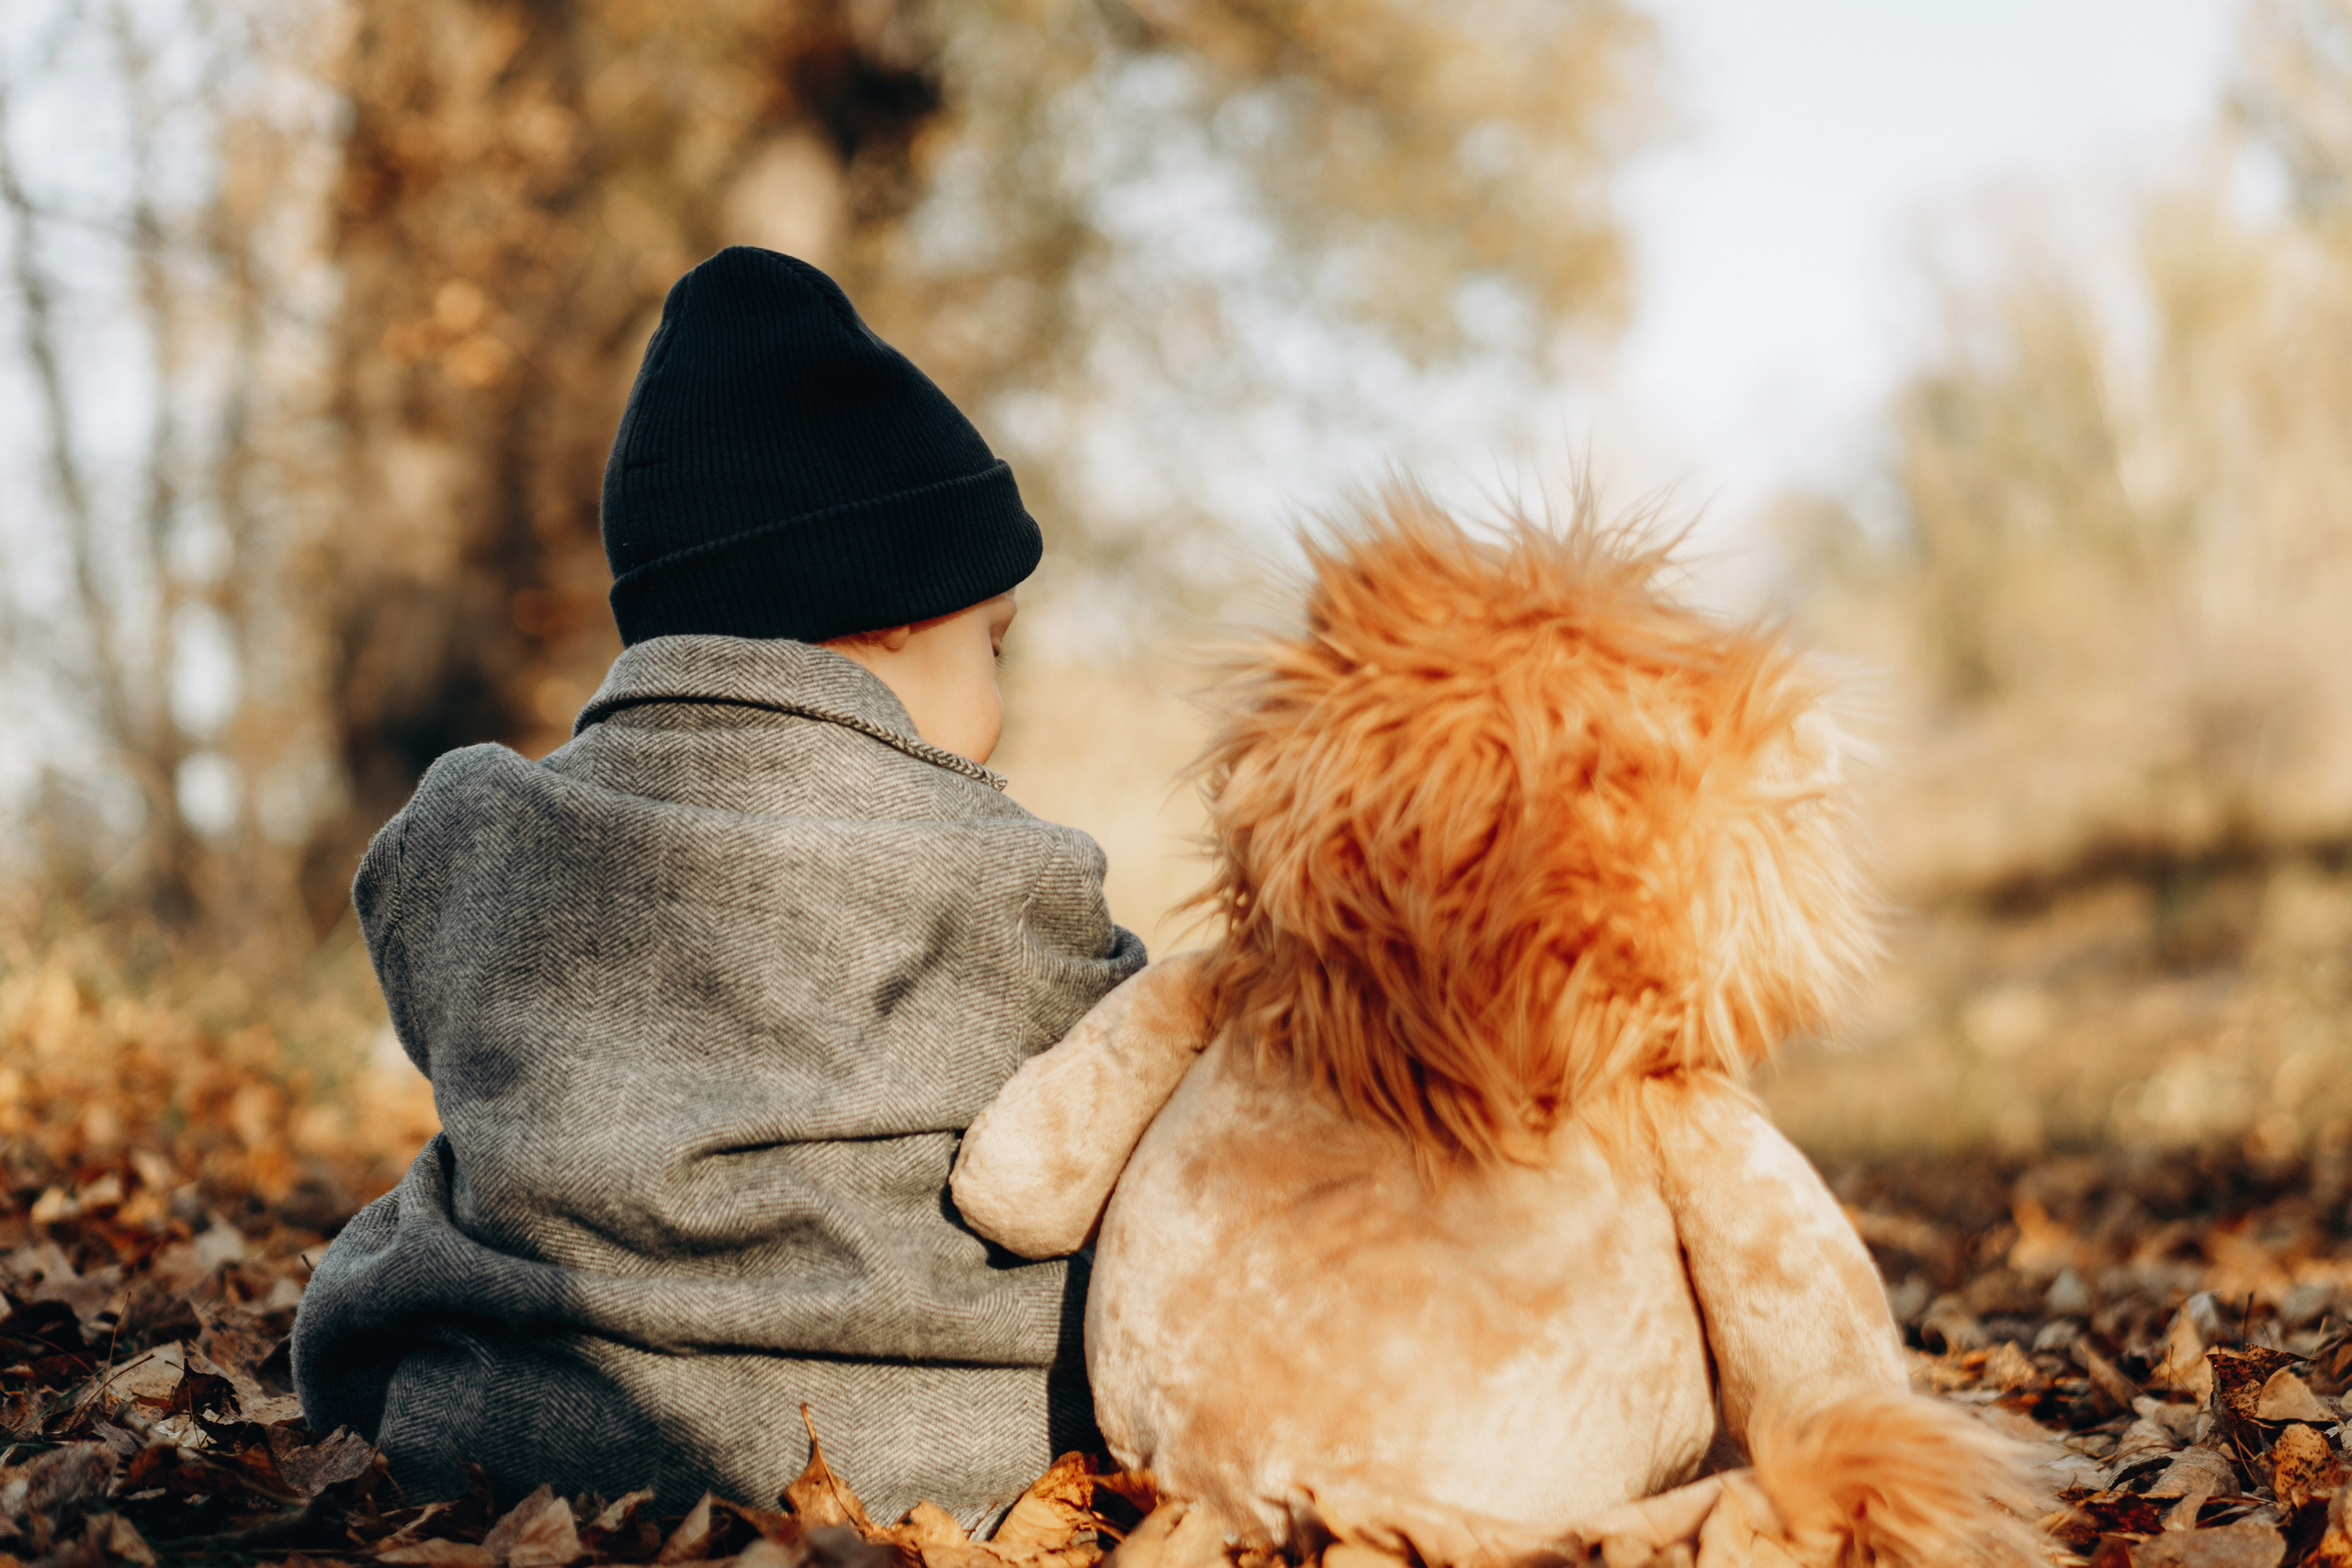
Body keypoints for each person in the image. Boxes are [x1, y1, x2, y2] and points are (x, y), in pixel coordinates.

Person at [290, 246, 1147, 1529]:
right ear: (894, 601)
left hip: (504, 1426)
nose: (999, 703)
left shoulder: (472, 832)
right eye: (993, 644)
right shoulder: (1008, 867)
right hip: (937, 1453)